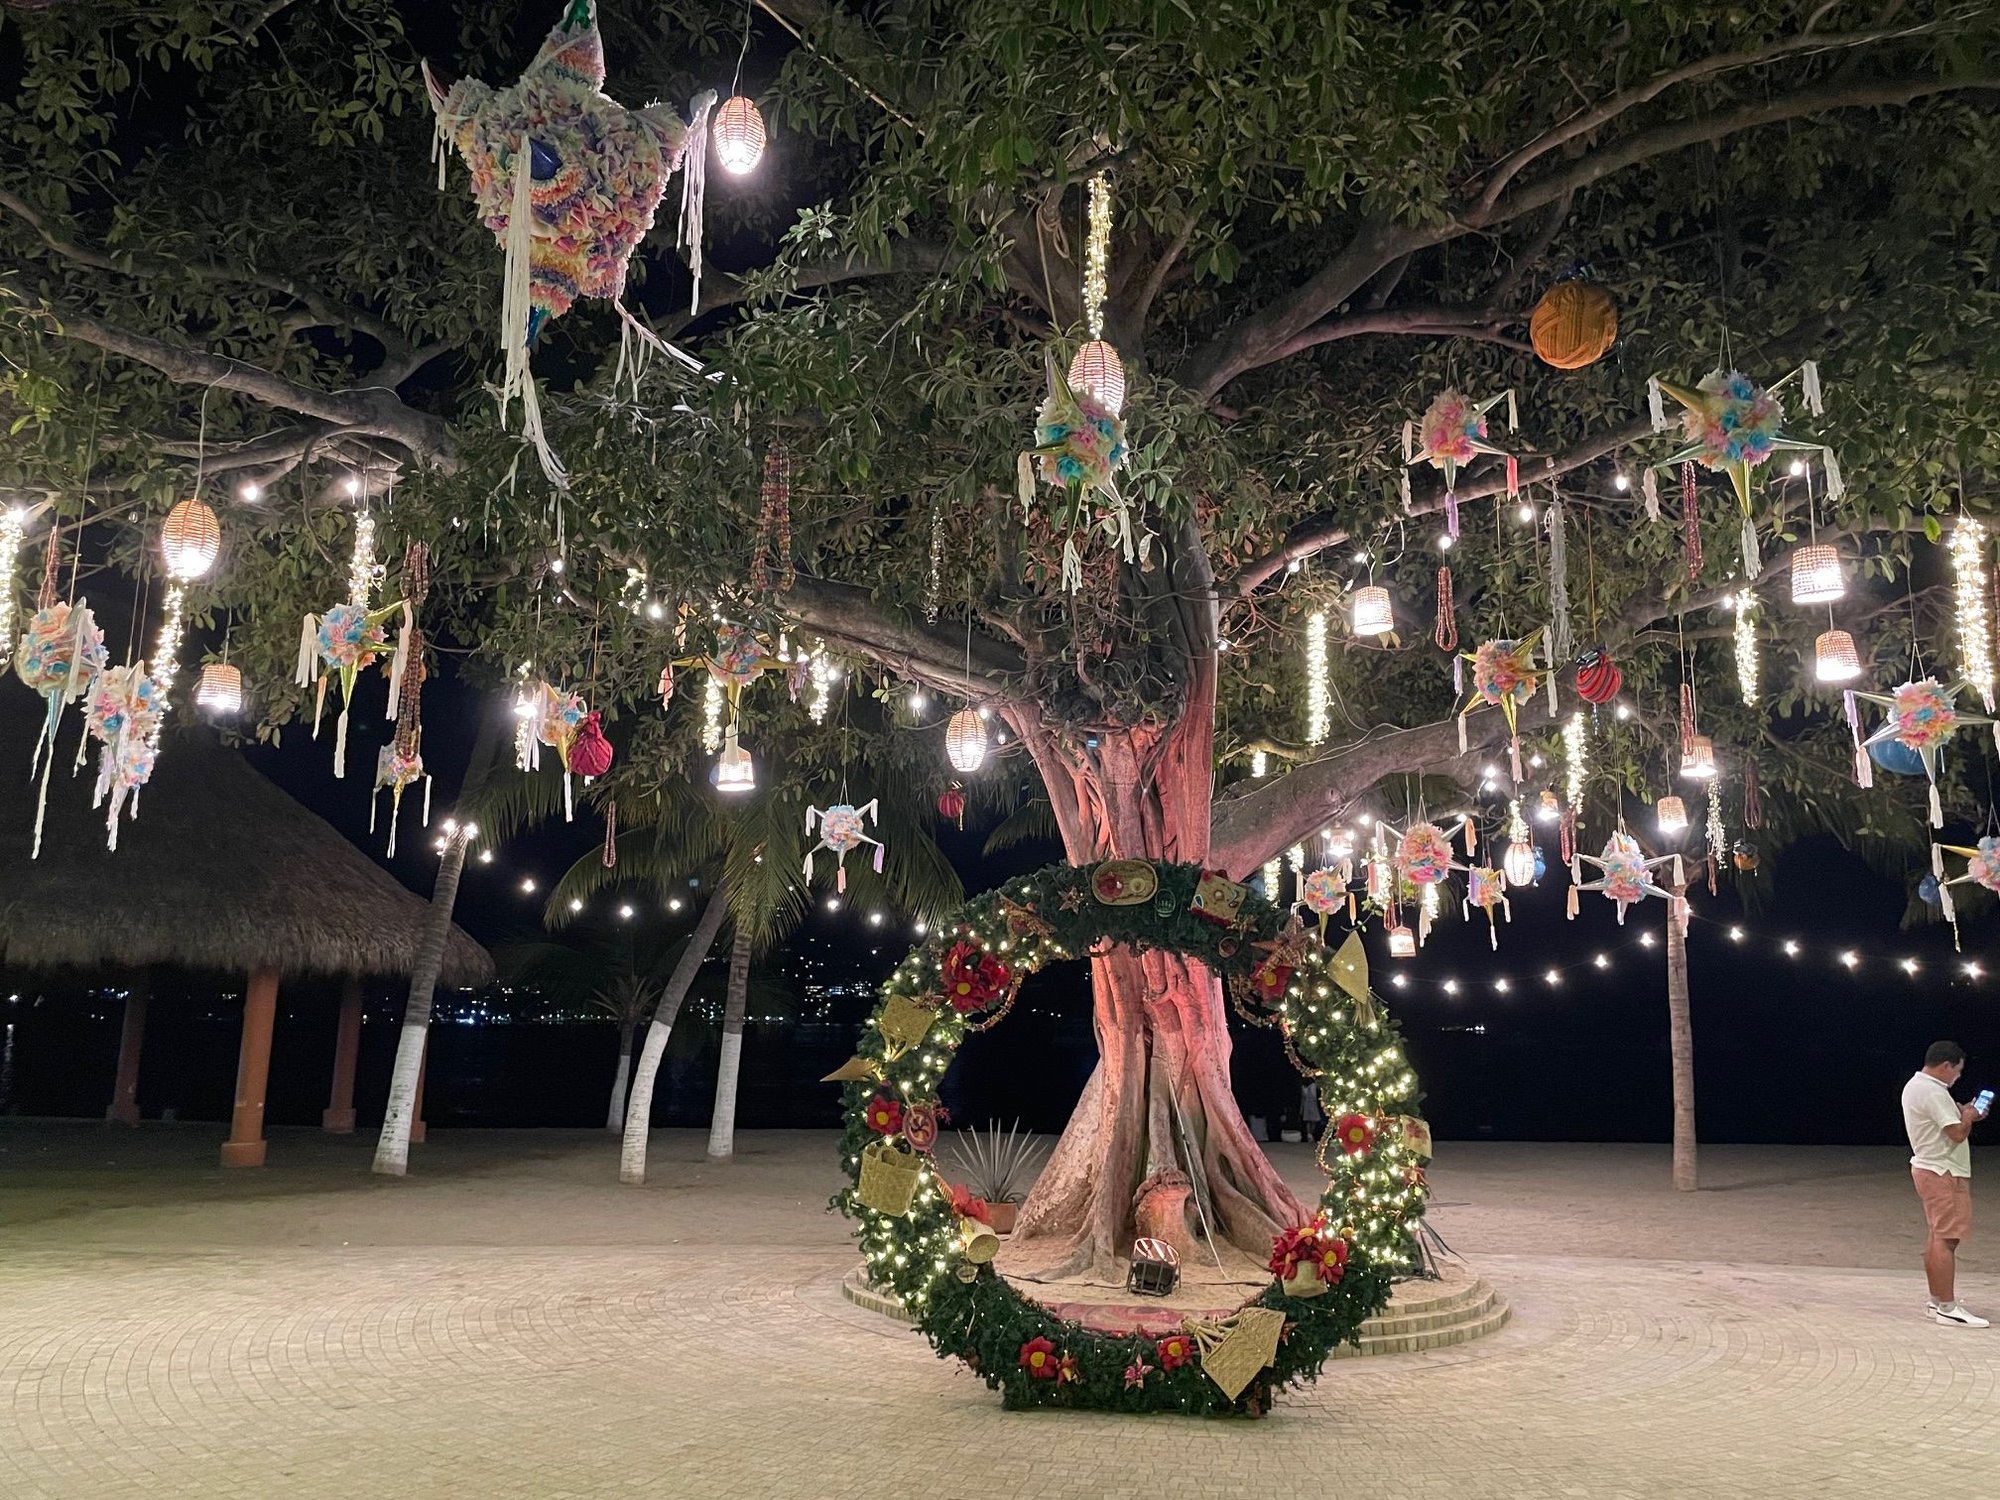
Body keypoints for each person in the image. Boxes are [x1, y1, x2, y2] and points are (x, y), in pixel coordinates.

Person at [1901, 1040, 1990, 1327]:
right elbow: (1956, 1133)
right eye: (1958, 1071)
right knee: (1946, 1239)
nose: (1958, 1077)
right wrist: (1969, 1116)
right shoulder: (1933, 1091)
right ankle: (1948, 1308)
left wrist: (1962, 1113)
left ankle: (1937, 1301)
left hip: (1928, 1167)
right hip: (1943, 1172)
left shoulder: (1916, 1085)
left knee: (1937, 1235)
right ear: (1946, 1066)